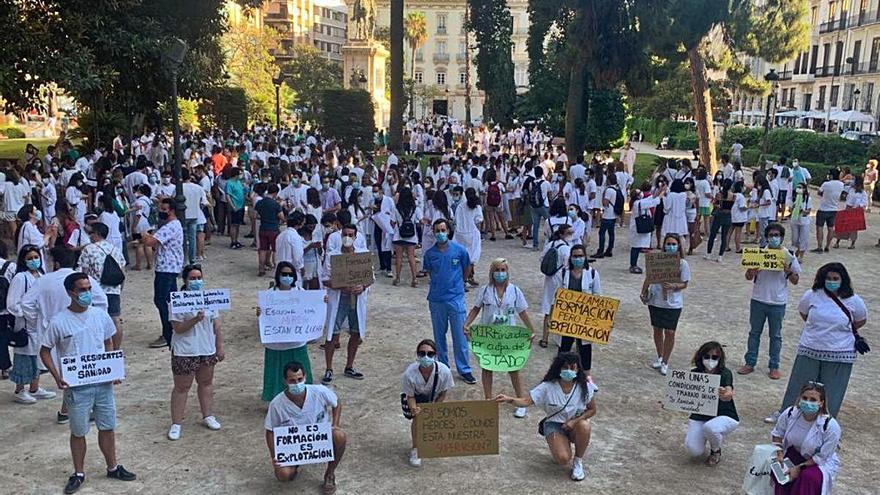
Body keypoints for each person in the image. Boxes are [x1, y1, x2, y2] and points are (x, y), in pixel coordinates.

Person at [40, 273, 136, 494]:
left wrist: (112, 367)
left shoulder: (100, 315)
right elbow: (45, 350)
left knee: (108, 426)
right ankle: (79, 472)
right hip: (77, 387)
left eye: (88, 288)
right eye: (82, 290)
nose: (86, 293)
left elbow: (108, 340)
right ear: (70, 293)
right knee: (78, 431)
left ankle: (112, 466)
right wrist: (57, 376)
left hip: (103, 384)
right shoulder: (58, 321)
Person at [766, 263, 867, 423]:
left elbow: (860, 320)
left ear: (843, 280)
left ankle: (826, 421)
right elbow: (804, 313)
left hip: (839, 353)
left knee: (833, 390)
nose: (831, 281)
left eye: (835, 278)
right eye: (828, 278)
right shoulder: (812, 295)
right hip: (811, 348)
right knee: (800, 384)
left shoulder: (854, 300)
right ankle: (787, 415)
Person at [495, 352, 597, 482]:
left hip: (575, 424)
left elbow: (592, 410)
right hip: (554, 424)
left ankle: (578, 461)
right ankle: (560, 443)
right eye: (565, 367)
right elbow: (527, 401)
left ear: (578, 369)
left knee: (585, 426)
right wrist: (509, 399)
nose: (568, 371)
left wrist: (575, 421)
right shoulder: (548, 386)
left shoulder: (584, 387)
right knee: (563, 459)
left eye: (572, 368)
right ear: (559, 368)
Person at [463, 258, 537, 417]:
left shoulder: (515, 291)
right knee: (487, 366)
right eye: (497, 270)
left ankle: (519, 401)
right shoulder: (484, 290)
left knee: (513, 368)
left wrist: (531, 330)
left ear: (507, 272)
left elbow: (522, 312)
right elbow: (476, 309)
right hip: (489, 337)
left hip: (508, 337)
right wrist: (467, 323)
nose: (500, 273)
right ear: (492, 272)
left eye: (503, 270)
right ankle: (488, 400)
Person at [264, 361, 346, 494]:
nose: (297, 384)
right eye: (292, 380)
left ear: (305, 377)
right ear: (285, 381)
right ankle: (294, 464)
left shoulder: (319, 391)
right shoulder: (277, 404)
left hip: (321, 441)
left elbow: (336, 403)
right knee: (283, 475)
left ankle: (330, 474)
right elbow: (269, 431)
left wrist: (335, 424)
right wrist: (275, 455)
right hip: (293, 447)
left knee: (339, 436)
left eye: (299, 379)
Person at [167, 264, 225, 440]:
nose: (196, 281)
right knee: (182, 387)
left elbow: (216, 324)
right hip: (185, 350)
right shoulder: (177, 301)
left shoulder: (209, 299)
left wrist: (219, 345)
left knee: (206, 383)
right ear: (185, 280)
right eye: (192, 278)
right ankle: (176, 423)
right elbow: (177, 328)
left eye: (199, 277)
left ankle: (208, 415)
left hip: (206, 348)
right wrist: (195, 319)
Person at [739, 223, 801, 379]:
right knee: (754, 333)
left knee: (776, 336)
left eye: (777, 235)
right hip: (759, 299)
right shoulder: (759, 253)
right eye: (771, 235)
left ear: (781, 237)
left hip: (778, 302)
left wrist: (788, 271)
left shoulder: (789, 256)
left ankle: (774, 366)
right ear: (766, 237)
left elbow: (795, 280)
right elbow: (748, 276)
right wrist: (754, 270)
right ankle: (750, 362)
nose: (774, 238)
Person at [422, 219, 476, 384]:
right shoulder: (429, 254)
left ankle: (464, 369)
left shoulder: (459, 251)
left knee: (460, 335)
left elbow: (467, 268)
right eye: (437, 230)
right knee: (439, 336)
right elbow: (430, 272)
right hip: (437, 300)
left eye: (443, 230)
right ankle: (443, 368)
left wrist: (460, 283)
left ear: (448, 231)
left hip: (456, 298)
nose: (440, 233)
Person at [321, 224, 371, 383]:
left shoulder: (362, 255)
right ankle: (329, 368)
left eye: (351, 234)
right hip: (339, 297)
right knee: (332, 334)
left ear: (356, 237)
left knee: (355, 332)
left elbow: (370, 278)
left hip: (357, 298)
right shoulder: (332, 256)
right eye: (345, 234)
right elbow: (325, 279)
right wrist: (343, 286)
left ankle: (349, 365)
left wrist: (362, 286)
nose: (347, 237)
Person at [770, 382, 840, 495]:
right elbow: (778, 433)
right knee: (779, 471)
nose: (808, 402)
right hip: (794, 454)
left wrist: (799, 468)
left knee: (808, 478)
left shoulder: (830, 426)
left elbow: (821, 457)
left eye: (813, 400)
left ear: (821, 403)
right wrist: (779, 454)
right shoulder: (790, 414)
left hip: (817, 462)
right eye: (805, 398)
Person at [257, 262, 313, 401]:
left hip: (296, 342)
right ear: (278, 275)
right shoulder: (269, 295)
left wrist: (321, 301)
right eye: (284, 274)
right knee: (275, 372)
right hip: (275, 344)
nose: (287, 277)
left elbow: (312, 311)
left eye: (290, 274)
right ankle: (275, 400)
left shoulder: (301, 293)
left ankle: (304, 398)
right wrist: (260, 313)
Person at [6, 244, 55, 404]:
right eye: (30, 258)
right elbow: (12, 303)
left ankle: (35, 387)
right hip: (26, 325)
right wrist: (27, 315)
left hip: (41, 324)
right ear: (23, 260)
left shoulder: (41, 275)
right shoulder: (21, 278)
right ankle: (20, 389)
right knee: (24, 358)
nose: (34, 261)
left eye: (36, 257)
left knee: (39, 357)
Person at [640, 233, 690, 376]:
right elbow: (649, 277)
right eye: (668, 243)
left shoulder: (682, 263)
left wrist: (674, 286)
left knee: (670, 332)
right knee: (657, 329)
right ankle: (660, 356)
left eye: (673, 244)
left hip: (673, 303)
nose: (670, 246)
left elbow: (685, 283)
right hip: (656, 301)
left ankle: (666, 361)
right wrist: (643, 292)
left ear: (678, 246)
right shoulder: (657, 260)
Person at [401, 339, 454, 467]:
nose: (426, 357)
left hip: (434, 396)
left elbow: (443, 393)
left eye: (430, 354)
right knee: (418, 419)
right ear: (417, 355)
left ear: (435, 355)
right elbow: (410, 395)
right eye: (422, 353)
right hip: (416, 397)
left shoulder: (444, 371)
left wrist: (435, 407)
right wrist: (413, 408)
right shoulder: (409, 373)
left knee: (433, 420)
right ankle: (416, 448)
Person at [684, 341, 738, 466]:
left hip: (724, 415)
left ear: (720, 358)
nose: (710, 360)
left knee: (711, 428)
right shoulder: (694, 374)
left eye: (714, 357)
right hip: (700, 415)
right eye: (707, 357)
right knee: (693, 450)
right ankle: (706, 435)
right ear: (701, 357)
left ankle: (716, 450)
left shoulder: (725, 373)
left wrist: (726, 394)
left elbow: (729, 391)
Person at [76, 223, 127, 348]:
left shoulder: (89, 249)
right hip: (113, 289)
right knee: (115, 318)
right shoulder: (115, 249)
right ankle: (116, 349)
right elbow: (122, 271)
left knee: (95, 319)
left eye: (91, 233)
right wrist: (119, 288)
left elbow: (84, 272)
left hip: (95, 290)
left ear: (97, 234)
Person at [553, 244, 601, 375]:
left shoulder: (592, 274)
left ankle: (587, 378)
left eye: (580, 256)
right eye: (575, 256)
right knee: (564, 348)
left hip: (585, 318)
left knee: (585, 348)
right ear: (570, 258)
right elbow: (556, 296)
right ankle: (559, 374)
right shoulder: (562, 273)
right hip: (566, 318)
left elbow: (598, 296)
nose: (578, 259)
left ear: (585, 257)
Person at [143, 198, 185, 348]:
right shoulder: (173, 225)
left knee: (161, 300)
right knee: (169, 301)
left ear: (171, 210)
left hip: (166, 269)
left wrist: (144, 234)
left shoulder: (170, 226)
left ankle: (168, 333)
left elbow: (150, 242)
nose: (161, 212)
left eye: (164, 209)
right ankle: (172, 330)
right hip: (169, 267)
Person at [391, 187, 422, 287]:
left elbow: (392, 222)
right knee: (411, 257)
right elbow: (420, 221)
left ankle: (398, 278)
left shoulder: (396, 208)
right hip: (411, 236)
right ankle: (414, 279)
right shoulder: (415, 208)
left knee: (399, 258)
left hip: (399, 235)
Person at [629, 184, 662, 274]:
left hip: (637, 227)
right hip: (637, 228)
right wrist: (660, 194)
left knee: (636, 246)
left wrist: (659, 190)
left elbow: (651, 198)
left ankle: (634, 264)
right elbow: (653, 201)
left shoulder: (639, 202)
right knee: (635, 247)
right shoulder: (638, 203)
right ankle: (633, 265)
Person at [453, 187, 483, 287]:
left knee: (462, 258)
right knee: (471, 259)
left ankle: (469, 277)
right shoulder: (477, 207)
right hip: (472, 234)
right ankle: (464, 280)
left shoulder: (460, 206)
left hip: (460, 234)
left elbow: (456, 220)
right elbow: (478, 221)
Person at [255, 184, 284, 276]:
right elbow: (282, 217)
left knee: (263, 249)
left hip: (263, 228)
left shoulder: (260, 202)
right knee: (275, 250)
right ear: (275, 193)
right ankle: (276, 269)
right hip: (274, 229)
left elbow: (256, 216)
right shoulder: (275, 204)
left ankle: (261, 269)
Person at [813, 169, 844, 253]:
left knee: (820, 228)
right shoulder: (841, 184)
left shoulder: (826, 184)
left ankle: (819, 246)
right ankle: (827, 246)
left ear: (831, 175)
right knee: (830, 228)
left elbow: (819, 192)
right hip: (834, 209)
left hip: (823, 208)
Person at [833, 176, 867, 249]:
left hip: (856, 210)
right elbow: (844, 185)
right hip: (848, 208)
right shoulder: (850, 189)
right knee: (843, 225)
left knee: (853, 228)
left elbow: (864, 203)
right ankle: (837, 242)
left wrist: (858, 206)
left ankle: (852, 243)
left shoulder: (863, 193)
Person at [593, 172, 620, 258]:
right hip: (613, 214)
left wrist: (603, 197)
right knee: (611, 233)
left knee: (602, 233)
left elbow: (605, 203)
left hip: (607, 214)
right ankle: (609, 249)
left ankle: (600, 250)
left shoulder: (608, 190)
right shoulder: (616, 189)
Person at [789, 182, 812, 260]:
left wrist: (802, 210)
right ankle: (798, 249)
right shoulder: (793, 198)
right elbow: (790, 210)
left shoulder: (808, 199)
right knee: (794, 239)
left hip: (804, 221)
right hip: (795, 220)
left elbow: (808, 211)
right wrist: (794, 207)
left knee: (803, 239)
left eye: (801, 187)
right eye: (797, 187)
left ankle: (801, 255)